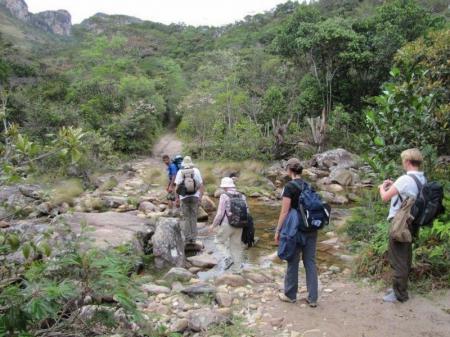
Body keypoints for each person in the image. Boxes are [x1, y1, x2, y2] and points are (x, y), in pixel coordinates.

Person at [379, 148, 426, 303]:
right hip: (411, 223)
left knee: (397, 258)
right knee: (405, 257)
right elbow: (407, 193)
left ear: (407, 161)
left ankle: (400, 294)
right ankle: (399, 287)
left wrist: (382, 187)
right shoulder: (422, 179)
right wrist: (395, 185)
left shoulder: (405, 179)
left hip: (399, 224)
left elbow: (385, 197)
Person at [274, 158, 318, 307]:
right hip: (311, 228)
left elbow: (284, 212)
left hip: (295, 230)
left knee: (293, 261)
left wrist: (278, 230)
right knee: (310, 262)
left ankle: (290, 295)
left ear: (289, 171)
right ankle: (313, 298)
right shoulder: (309, 185)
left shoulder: (289, 187)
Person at [210, 177, 248, 273]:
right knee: (236, 247)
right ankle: (237, 270)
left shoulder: (224, 196)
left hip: (227, 224)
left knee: (218, 241)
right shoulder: (242, 196)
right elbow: (247, 212)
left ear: (225, 186)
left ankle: (227, 257)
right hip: (240, 224)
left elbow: (220, 214)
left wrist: (213, 225)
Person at [174, 156, 204, 244]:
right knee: (194, 217)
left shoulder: (180, 172)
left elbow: (177, 187)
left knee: (186, 217)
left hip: (184, 197)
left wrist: (176, 199)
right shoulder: (196, 171)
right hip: (195, 197)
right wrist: (200, 198)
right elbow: (201, 185)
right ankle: (194, 238)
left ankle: (187, 238)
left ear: (183, 163)